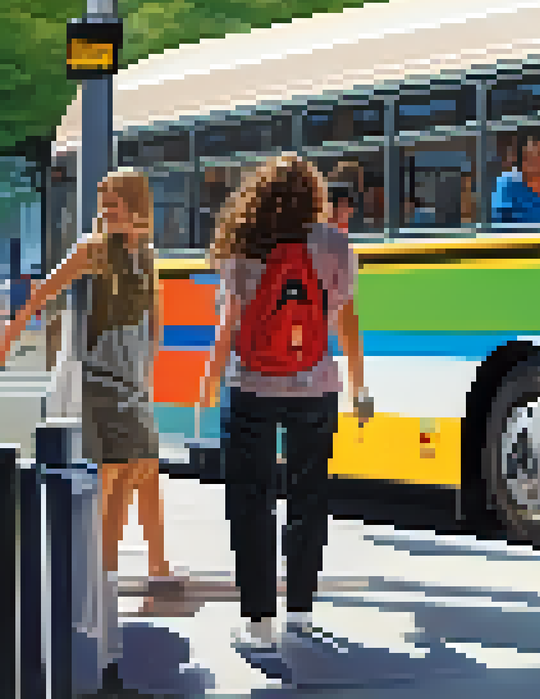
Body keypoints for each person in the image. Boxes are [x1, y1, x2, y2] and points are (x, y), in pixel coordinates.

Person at [201, 153, 370, 685]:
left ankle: (257, 621)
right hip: (315, 387)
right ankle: (299, 608)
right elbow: (345, 320)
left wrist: (207, 383)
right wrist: (360, 386)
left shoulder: (242, 245)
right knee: (308, 495)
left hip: (250, 386)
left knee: (250, 502)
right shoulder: (334, 245)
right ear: (314, 196)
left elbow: (228, 324)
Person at [0, 171, 180, 615]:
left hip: (133, 379)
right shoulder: (93, 249)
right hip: (99, 377)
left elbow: (155, 313)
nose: (106, 211)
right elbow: (45, 292)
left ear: (135, 204)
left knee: (147, 471)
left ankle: (152, 567)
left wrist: (152, 366)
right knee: (117, 476)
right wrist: (11, 334)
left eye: (114, 203)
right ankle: (105, 574)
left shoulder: (146, 253)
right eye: (104, 203)